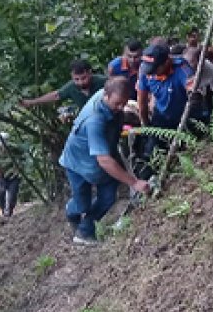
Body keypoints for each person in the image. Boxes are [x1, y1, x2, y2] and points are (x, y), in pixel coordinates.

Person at [59, 77, 152, 245]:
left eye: (124, 103)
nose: (121, 107)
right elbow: (104, 160)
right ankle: (72, 211)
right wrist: (134, 182)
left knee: (108, 198)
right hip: (78, 162)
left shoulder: (109, 96)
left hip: (100, 157)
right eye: (117, 103)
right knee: (82, 205)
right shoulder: (95, 120)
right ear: (106, 96)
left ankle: (84, 232)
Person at [21, 60, 107, 113]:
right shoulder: (71, 87)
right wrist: (31, 102)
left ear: (90, 73)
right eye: (76, 79)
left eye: (83, 78)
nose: (80, 82)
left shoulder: (103, 82)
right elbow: (55, 96)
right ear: (71, 76)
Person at [182, 46, 213, 132]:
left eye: (192, 62)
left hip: (203, 94)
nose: (188, 66)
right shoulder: (177, 69)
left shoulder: (210, 69)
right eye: (185, 63)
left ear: (200, 62)